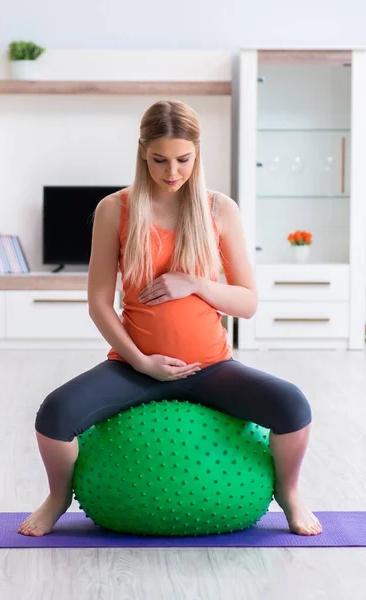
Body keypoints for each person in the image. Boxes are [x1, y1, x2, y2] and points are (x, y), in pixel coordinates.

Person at [19, 100, 322, 537]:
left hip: (211, 367)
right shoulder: (114, 209)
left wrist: (194, 283)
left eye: (183, 159)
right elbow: (100, 303)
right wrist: (142, 362)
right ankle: (57, 497)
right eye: (160, 159)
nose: (172, 171)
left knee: (292, 406)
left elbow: (247, 302)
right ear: (142, 151)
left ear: (197, 153)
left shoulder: (220, 209)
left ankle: (289, 493)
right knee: (55, 414)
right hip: (134, 369)